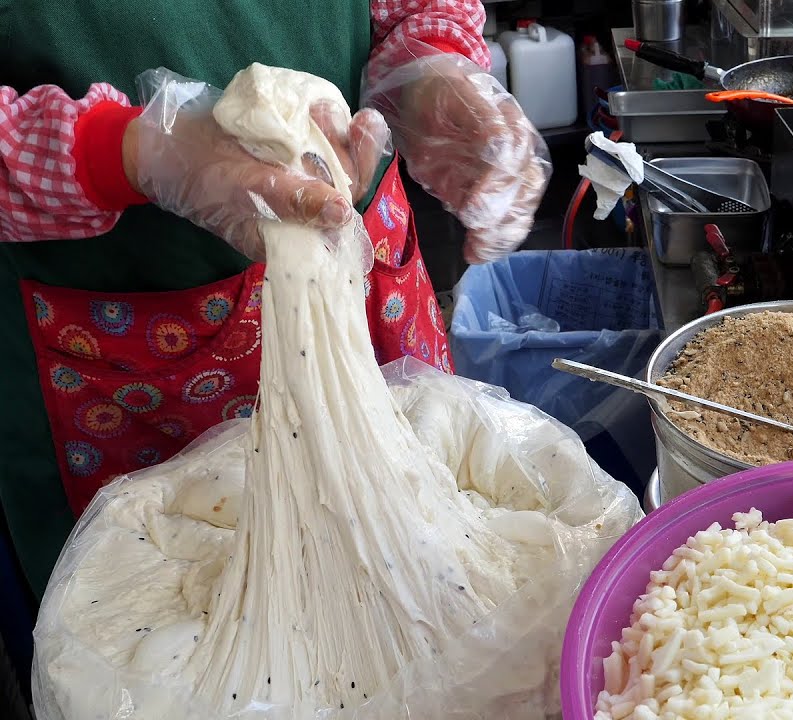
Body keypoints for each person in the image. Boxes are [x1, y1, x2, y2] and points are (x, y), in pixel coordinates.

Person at [0, 0, 551, 597]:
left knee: (423, 573)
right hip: (121, 340)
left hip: (360, 265)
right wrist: (131, 153)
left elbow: (415, 7)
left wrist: (428, 69)